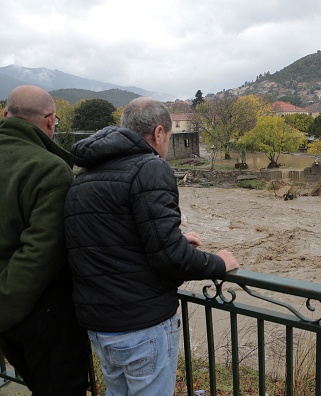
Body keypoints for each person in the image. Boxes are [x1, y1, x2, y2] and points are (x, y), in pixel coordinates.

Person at [64, 97, 240, 396]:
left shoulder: (86, 175)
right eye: (169, 137)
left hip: (99, 323)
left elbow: (106, 238)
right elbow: (171, 260)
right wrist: (219, 263)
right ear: (159, 133)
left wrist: (172, 238)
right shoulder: (150, 168)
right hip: (140, 324)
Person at [0, 85, 90, 395]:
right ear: (50, 121)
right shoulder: (49, 168)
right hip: (40, 312)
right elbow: (41, 253)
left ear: (4, 114)